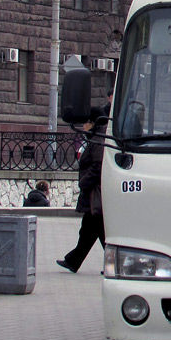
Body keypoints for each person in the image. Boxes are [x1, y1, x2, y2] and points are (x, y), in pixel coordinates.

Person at [57, 108, 107, 273]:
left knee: (92, 229)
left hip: (95, 193)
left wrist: (84, 182)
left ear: (92, 122)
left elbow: (98, 165)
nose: (84, 126)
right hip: (95, 194)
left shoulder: (100, 137)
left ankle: (75, 261)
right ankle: (74, 261)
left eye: (86, 122)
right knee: (93, 230)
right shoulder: (98, 135)